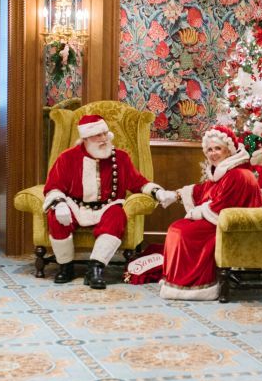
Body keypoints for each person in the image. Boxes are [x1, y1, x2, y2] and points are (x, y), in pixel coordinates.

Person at [42, 114, 177, 288]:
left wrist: (158, 192)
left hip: (107, 206)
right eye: (98, 135)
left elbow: (138, 182)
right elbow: (53, 186)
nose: (104, 138)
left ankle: (96, 268)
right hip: (75, 205)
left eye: (105, 133)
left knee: (117, 215)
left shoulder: (120, 157)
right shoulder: (67, 158)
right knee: (55, 216)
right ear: (85, 138)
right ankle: (65, 266)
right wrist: (60, 204)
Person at [160, 125, 262, 300]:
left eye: (218, 148)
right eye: (209, 149)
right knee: (176, 228)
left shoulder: (238, 175)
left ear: (229, 150)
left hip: (234, 228)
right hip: (220, 222)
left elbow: (221, 208)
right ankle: (179, 283)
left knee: (183, 232)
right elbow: (202, 191)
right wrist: (175, 195)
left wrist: (195, 213)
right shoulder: (222, 172)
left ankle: (196, 285)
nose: (213, 153)